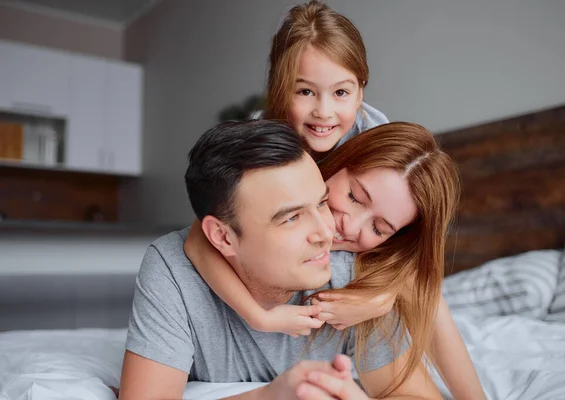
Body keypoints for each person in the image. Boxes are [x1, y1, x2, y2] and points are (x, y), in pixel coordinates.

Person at [185, 1, 486, 398]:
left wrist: (379, 298)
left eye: (342, 92)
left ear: (361, 90)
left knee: (426, 293)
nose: (324, 112)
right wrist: (258, 316)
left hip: (363, 280)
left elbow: (416, 269)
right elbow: (200, 238)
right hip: (272, 266)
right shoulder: (262, 141)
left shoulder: (374, 142)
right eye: (305, 91)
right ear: (279, 87)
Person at [118, 120, 443, 400]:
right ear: (222, 237)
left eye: (321, 203)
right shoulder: (173, 271)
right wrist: (270, 396)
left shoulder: (356, 280)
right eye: (291, 218)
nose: (327, 232)